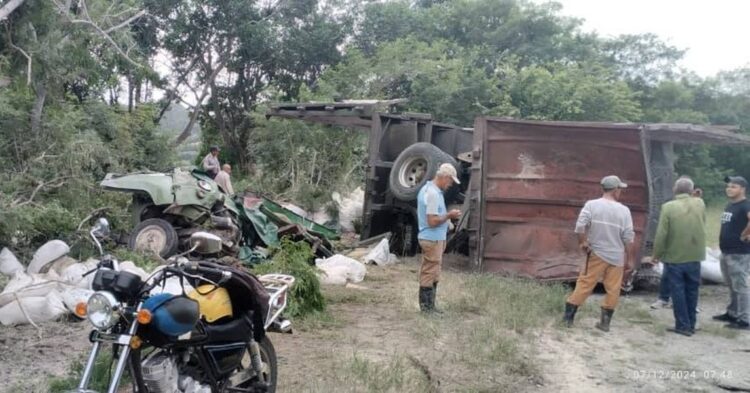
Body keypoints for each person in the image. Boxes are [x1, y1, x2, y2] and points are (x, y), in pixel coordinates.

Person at [562, 175, 635, 332]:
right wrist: (629, 259)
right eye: (620, 189)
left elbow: (580, 225)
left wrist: (583, 242)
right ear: (615, 190)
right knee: (613, 289)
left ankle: (568, 319)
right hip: (616, 257)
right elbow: (628, 238)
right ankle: (605, 323)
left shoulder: (591, 205)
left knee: (585, 283)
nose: (620, 192)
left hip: (596, 254)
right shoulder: (624, 211)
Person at [652, 177, 706, 336]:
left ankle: (682, 325)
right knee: (692, 290)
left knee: (678, 291)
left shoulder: (668, 207)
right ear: (691, 190)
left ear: (674, 190)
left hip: (675, 256)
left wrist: (657, 254)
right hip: (695, 255)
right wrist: (695, 195)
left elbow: (662, 234)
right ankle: (691, 324)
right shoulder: (700, 203)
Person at [416, 163, 462, 313]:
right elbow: (432, 221)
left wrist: (446, 221)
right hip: (432, 239)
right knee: (430, 272)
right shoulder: (434, 194)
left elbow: (433, 217)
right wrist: (449, 216)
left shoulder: (429, 190)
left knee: (433, 272)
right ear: (445, 177)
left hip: (433, 238)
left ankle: (430, 307)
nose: (450, 185)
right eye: (450, 181)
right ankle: (427, 309)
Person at [713, 176, 750, 330]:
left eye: (734, 186)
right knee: (731, 284)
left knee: (740, 285)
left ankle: (744, 319)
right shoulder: (730, 205)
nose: (729, 188)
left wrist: (744, 234)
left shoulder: (745, 205)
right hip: (726, 251)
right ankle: (733, 312)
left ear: (742, 189)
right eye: (728, 186)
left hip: (739, 252)